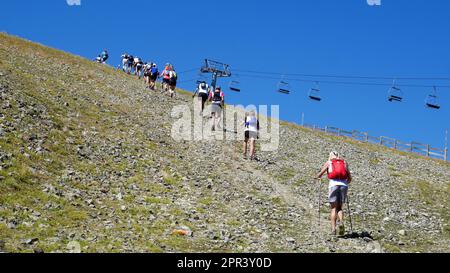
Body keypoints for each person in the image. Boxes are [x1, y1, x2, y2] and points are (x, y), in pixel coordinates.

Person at [315, 151, 352, 236]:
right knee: (340, 207)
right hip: (344, 186)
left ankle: (333, 230)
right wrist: (345, 183)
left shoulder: (329, 162)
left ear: (331, 156)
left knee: (333, 208)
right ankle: (341, 222)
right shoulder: (344, 163)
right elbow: (349, 178)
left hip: (333, 185)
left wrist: (317, 177)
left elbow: (321, 173)